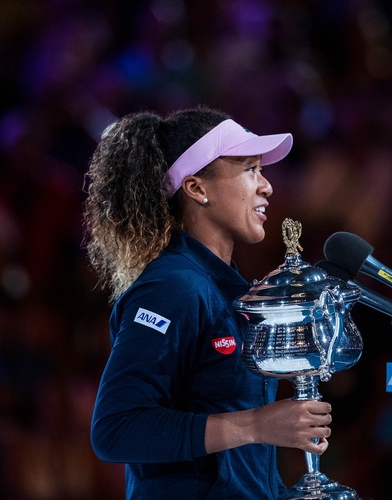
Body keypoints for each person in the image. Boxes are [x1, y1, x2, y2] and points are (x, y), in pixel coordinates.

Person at [83, 105, 332, 499]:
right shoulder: (173, 287)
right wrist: (255, 425)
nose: (266, 186)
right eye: (250, 169)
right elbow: (116, 428)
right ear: (197, 188)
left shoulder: (230, 289)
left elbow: (240, 466)